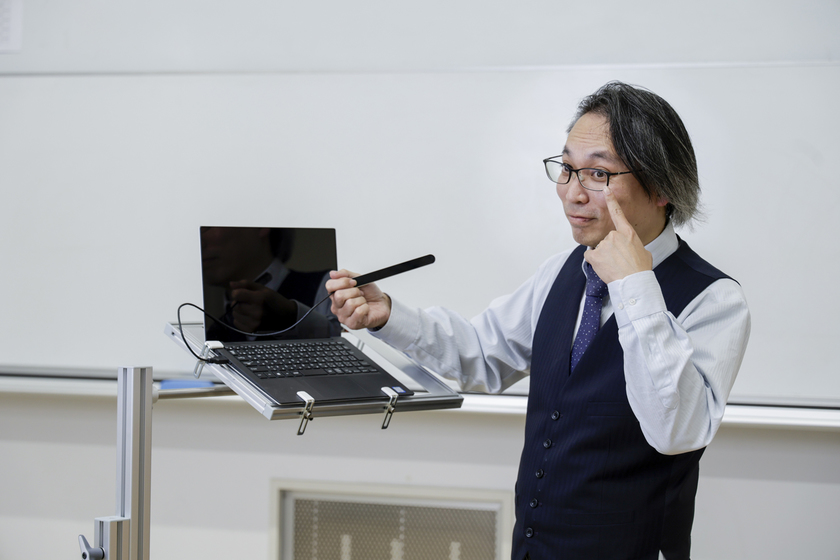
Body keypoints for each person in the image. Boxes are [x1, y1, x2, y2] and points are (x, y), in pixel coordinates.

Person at [326, 81, 750, 560]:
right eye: (566, 169)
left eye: (597, 174)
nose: (572, 194)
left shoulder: (714, 300)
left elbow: (675, 431)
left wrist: (635, 286)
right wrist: (388, 315)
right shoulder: (562, 272)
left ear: (661, 187)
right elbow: (482, 355)